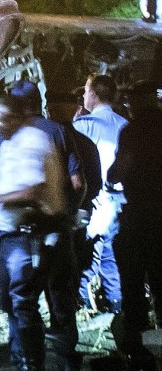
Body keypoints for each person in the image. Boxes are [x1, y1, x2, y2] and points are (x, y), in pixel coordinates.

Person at [0, 80, 84, 371]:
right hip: (48, 231)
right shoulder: (50, 133)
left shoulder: (29, 139)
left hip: (31, 235)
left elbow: (28, 188)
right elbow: (79, 183)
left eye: (0, 116)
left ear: (17, 112)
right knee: (54, 300)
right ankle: (63, 365)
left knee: (21, 302)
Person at [107, 80, 162, 371]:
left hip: (139, 219)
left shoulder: (132, 131)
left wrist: (111, 176)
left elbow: (120, 169)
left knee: (132, 287)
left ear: (135, 103)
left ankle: (139, 356)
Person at [72, 75, 126, 313]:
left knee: (88, 255)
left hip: (96, 201)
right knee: (111, 258)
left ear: (93, 94)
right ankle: (116, 305)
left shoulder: (84, 126)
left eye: (85, 91)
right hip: (121, 202)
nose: (84, 96)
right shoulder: (125, 125)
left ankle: (81, 306)